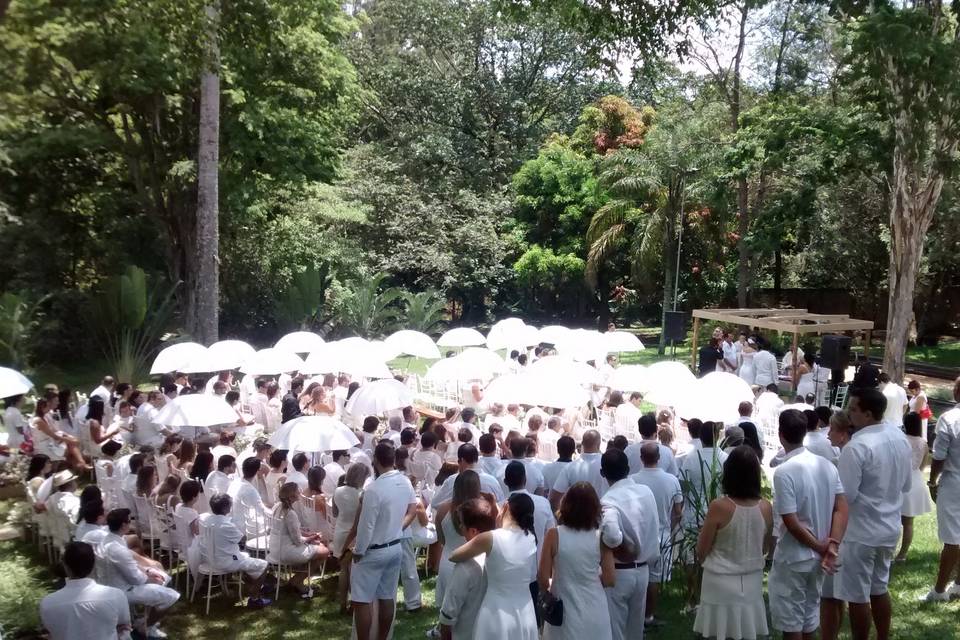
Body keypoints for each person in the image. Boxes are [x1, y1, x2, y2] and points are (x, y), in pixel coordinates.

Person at [836, 387, 911, 640]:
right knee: (879, 588)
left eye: (853, 409)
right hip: (889, 528)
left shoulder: (856, 447)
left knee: (857, 596)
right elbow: (906, 485)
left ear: (868, 414)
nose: (848, 413)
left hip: (861, 532)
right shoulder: (898, 438)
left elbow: (846, 497)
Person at [769, 410, 848, 640]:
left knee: (792, 623)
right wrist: (831, 544)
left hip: (795, 556)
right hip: (818, 556)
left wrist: (823, 546)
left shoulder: (784, 472)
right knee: (809, 618)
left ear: (780, 434)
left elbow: (791, 521)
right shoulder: (827, 466)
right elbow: (841, 508)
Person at [694, 446, 772, 640]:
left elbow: (701, 550)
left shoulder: (719, 506)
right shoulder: (765, 507)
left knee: (718, 633)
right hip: (752, 581)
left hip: (719, 581)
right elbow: (765, 546)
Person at [351, 442, 418, 640]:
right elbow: (412, 509)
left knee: (362, 601)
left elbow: (366, 526)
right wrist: (397, 529)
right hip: (394, 546)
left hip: (374, 549)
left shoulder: (374, 489)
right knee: (387, 597)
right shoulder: (404, 481)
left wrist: (358, 550)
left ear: (376, 461)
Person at [449, 492, 539, 640]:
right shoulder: (530, 537)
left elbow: (454, 556)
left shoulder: (491, 537)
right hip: (525, 610)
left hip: (497, 612)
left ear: (505, 507)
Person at [539, 482, 615, 640]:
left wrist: (550, 589)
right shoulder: (600, 537)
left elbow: (543, 578)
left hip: (562, 607)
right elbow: (610, 579)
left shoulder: (554, 535)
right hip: (595, 606)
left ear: (566, 504)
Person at [598, 448, 660, 640]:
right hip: (642, 571)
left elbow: (612, 536)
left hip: (620, 571)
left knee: (616, 630)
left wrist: (625, 547)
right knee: (635, 630)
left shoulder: (608, 501)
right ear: (628, 468)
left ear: (603, 473)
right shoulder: (645, 492)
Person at [99, 508, 179, 638]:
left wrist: (148, 570)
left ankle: (144, 619)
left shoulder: (108, 540)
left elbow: (130, 566)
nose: (130, 524)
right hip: (122, 590)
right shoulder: (117, 548)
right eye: (129, 521)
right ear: (124, 525)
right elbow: (136, 579)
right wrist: (153, 578)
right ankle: (147, 627)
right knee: (171, 595)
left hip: (114, 583)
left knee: (162, 577)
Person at [631, 442, 682, 627]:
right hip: (662, 533)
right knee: (653, 578)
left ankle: (637, 616)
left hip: (637, 534)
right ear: (659, 458)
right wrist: (672, 528)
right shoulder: (671, 480)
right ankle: (648, 616)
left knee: (636, 573)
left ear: (641, 458)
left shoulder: (632, 479)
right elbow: (678, 510)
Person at [40, 541, 131, 640]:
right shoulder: (116, 595)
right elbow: (123, 626)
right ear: (93, 565)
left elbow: (51, 632)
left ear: (65, 566)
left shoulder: (48, 603)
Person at [438, 498, 496, 640]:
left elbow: (448, 614)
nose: (460, 528)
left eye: (462, 524)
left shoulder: (465, 568)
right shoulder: (499, 558)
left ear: (473, 531)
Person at [924, 376, 960, 601]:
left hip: (954, 481)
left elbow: (939, 456)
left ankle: (939, 591)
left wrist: (932, 480)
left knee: (952, 538)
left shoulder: (949, 418)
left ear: (957, 392)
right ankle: (957, 584)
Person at [504, 460, 556, 616]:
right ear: (525, 479)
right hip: (536, 570)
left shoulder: (500, 507)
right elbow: (552, 533)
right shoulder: (543, 503)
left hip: (509, 571)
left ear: (505, 482)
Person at [201, 494, 272, 607]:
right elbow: (242, 538)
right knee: (264, 565)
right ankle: (254, 598)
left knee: (246, 557)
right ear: (226, 508)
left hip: (212, 557)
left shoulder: (207, 520)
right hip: (227, 561)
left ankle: (257, 585)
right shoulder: (226, 525)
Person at [270, 482, 329, 597]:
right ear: (292, 496)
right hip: (287, 550)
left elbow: (291, 529)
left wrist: (308, 534)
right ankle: (298, 581)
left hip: (275, 547)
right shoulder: (290, 513)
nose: (300, 492)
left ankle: (295, 579)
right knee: (325, 551)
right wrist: (312, 537)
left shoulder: (277, 506)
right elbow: (298, 541)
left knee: (319, 546)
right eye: (298, 491)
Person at [434, 470, 482, 605]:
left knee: (447, 611)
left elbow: (441, 539)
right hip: (475, 563)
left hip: (448, 561)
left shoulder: (443, 509)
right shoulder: (482, 511)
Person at [333, 463, 370, 613]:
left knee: (343, 569)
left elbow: (335, 512)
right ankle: (355, 603)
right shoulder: (363, 494)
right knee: (356, 571)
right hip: (355, 533)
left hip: (340, 530)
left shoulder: (338, 490)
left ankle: (343, 603)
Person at [897, 412, 932, 562]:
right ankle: (902, 554)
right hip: (915, 480)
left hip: (899, 480)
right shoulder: (923, 442)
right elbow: (923, 465)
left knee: (893, 519)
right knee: (908, 522)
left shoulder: (900, 439)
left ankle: (889, 549)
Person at [680, 421, 728, 530]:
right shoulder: (726, 459)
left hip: (694, 516)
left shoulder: (690, 459)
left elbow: (683, 486)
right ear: (717, 437)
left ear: (700, 437)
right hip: (720, 515)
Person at [430, 443, 504, 508]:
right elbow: (501, 503)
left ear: (461, 460)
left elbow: (435, 503)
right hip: (486, 522)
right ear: (477, 459)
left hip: (458, 521)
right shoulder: (492, 481)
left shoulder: (452, 480)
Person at [550, 429, 606, 510]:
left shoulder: (570, 467)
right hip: (602, 515)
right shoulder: (607, 465)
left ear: (582, 443)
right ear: (599, 444)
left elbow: (554, 498)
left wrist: (561, 518)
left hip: (576, 517)